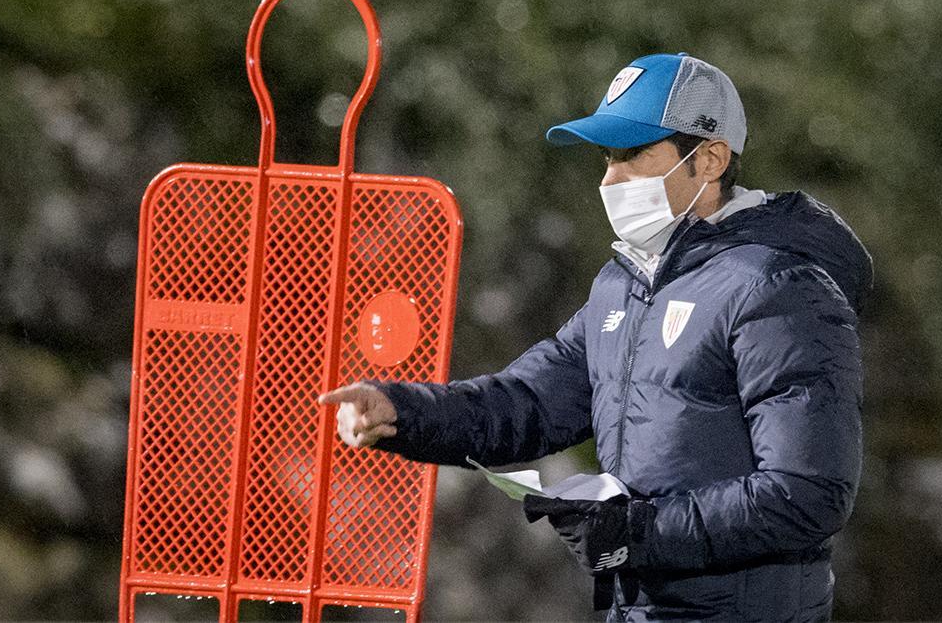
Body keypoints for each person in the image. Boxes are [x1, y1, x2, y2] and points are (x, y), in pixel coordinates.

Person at [319, 52, 872, 622]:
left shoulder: (778, 287)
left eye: (632, 154)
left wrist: (639, 532)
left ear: (709, 158)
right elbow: (527, 403)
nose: (610, 178)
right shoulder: (623, 284)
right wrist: (403, 412)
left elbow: (808, 493)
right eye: (608, 157)